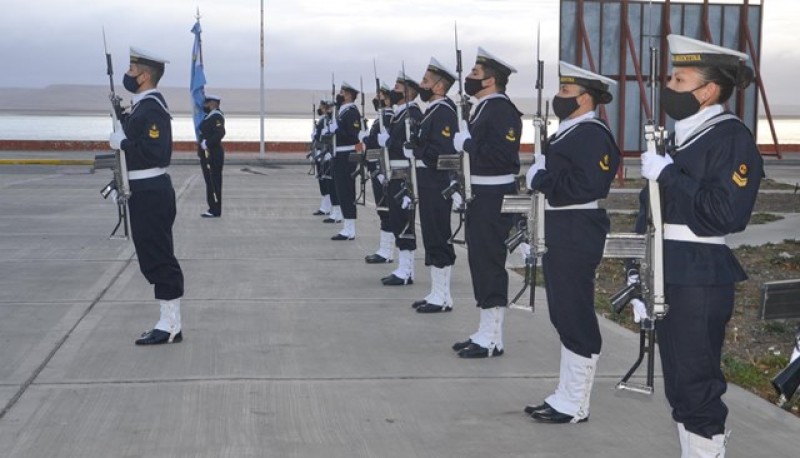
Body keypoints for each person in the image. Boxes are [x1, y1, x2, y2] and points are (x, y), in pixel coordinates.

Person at [634, 34, 762, 457]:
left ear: (707, 91)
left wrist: (670, 175)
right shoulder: (677, 137)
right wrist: (639, 272)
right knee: (679, 384)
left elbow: (725, 215)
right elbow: (649, 211)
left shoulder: (730, 137)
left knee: (696, 383)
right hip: (668, 267)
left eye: (678, 79)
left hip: (700, 270)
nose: (668, 87)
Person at [523, 62, 620, 423]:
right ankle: (565, 395)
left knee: (574, 313)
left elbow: (588, 186)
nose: (558, 98)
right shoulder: (568, 131)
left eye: (566, 93)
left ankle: (576, 402)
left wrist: (542, 179)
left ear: (584, 98)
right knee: (563, 313)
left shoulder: (593, 134)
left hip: (577, 226)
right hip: (560, 225)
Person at [108, 47, 184, 345]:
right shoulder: (141, 106)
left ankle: (170, 324)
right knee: (150, 256)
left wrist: (124, 142)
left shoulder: (152, 108)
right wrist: (120, 184)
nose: (128, 74)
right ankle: (168, 322)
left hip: (152, 191)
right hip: (142, 189)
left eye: (131, 69)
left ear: (145, 75)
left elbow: (157, 152)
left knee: (159, 257)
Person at [450, 48, 521, 357]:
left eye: (475, 75)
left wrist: (468, 144)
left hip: (494, 197)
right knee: (479, 262)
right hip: (480, 194)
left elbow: (501, 157)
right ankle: (485, 330)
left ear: (492, 80)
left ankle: (493, 338)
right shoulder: (482, 108)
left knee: (490, 263)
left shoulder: (501, 110)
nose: (468, 79)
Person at [409, 57, 459, 313]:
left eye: (426, 81)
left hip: (437, 182)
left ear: (440, 87)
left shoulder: (443, 112)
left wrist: (416, 150)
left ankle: (443, 296)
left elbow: (441, 153)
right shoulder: (433, 111)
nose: (421, 85)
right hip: (428, 180)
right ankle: (437, 292)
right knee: (431, 235)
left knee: (438, 235)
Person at [379, 71, 423, 285]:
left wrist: (389, 142)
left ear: (408, 93)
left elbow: (410, 145)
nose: (392, 92)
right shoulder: (401, 114)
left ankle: (406, 270)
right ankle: (404, 268)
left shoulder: (411, 114)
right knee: (397, 220)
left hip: (405, 175)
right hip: (395, 173)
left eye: (397, 89)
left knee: (404, 223)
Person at [362, 83, 396, 264]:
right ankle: (384, 249)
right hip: (376, 168)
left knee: (386, 209)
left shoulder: (389, 118)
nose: (377, 99)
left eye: (380, 96)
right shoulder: (380, 118)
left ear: (388, 98)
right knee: (382, 209)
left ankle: (387, 251)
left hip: (382, 169)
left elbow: (385, 145)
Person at [326, 81, 362, 240]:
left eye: (341, 93)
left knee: (347, 191)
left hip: (347, 156)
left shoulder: (352, 112)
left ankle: (350, 229)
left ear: (348, 95)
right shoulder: (342, 112)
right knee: (341, 190)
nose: (339, 95)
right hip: (339, 155)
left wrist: (337, 131)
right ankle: (346, 227)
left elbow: (353, 136)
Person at [198, 94, 225, 218]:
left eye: (206, 103)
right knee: (210, 182)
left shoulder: (217, 116)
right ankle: (212, 207)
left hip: (213, 154)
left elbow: (220, 132)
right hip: (207, 153)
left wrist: (207, 143)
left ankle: (215, 209)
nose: (204, 105)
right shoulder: (208, 117)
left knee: (214, 182)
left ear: (213, 103)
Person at [312, 100, 334, 217]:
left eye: (321, 106)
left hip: (326, 154)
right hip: (319, 153)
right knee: (321, 180)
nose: (319, 108)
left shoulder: (329, 121)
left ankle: (328, 206)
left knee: (326, 180)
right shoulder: (322, 120)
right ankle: (324, 206)